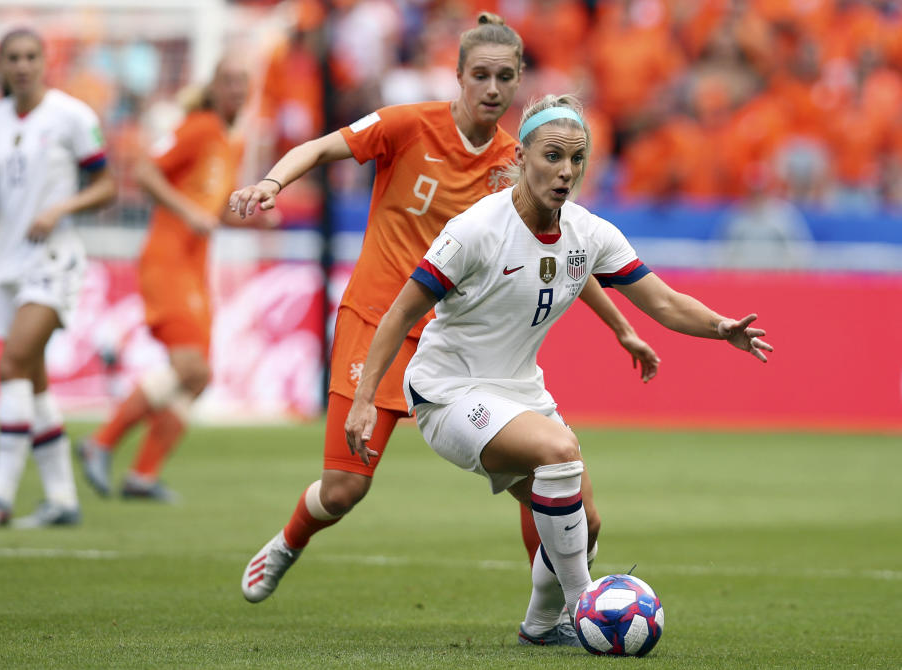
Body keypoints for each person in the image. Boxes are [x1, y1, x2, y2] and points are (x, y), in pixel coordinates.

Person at [229, 13, 659, 623]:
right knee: (347, 487)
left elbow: (564, 251)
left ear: (518, 83)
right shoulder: (409, 125)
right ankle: (289, 541)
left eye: (504, 77)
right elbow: (325, 145)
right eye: (479, 75)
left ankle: (554, 618)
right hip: (381, 319)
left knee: (547, 479)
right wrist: (272, 181)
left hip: (456, 341)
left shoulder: (524, 159)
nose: (491, 88)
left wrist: (620, 326)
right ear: (457, 76)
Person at [344, 94, 773, 645]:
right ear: (521, 156)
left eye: (576, 159)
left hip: (520, 393)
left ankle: (540, 627)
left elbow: (663, 303)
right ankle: (586, 609)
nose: (566, 171)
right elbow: (400, 312)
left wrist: (721, 328)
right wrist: (362, 400)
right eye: (552, 156)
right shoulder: (475, 229)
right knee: (560, 451)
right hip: (447, 392)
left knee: (585, 523)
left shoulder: (589, 234)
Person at [0, 28, 116, 527]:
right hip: (10, 263)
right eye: (13, 58)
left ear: (46, 62)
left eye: (30, 57)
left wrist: (61, 207)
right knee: (34, 383)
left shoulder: (71, 115)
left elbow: (107, 185)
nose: (22, 66)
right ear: (0, 65)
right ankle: (63, 499)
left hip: (55, 257)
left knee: (12, 365)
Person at [78, 56, 252, 501]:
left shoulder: (233, 141)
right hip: (167, 260)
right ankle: (101, 441)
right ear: (213, 88)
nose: (236, 89)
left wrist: (249, 218)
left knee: (199, 377)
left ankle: (143, 476)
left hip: (195, 267)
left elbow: (210, 210)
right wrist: (187, 212)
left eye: (242, 82)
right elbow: (144, 171)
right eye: (228, 80)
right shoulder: (198, 126)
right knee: (188, 367)